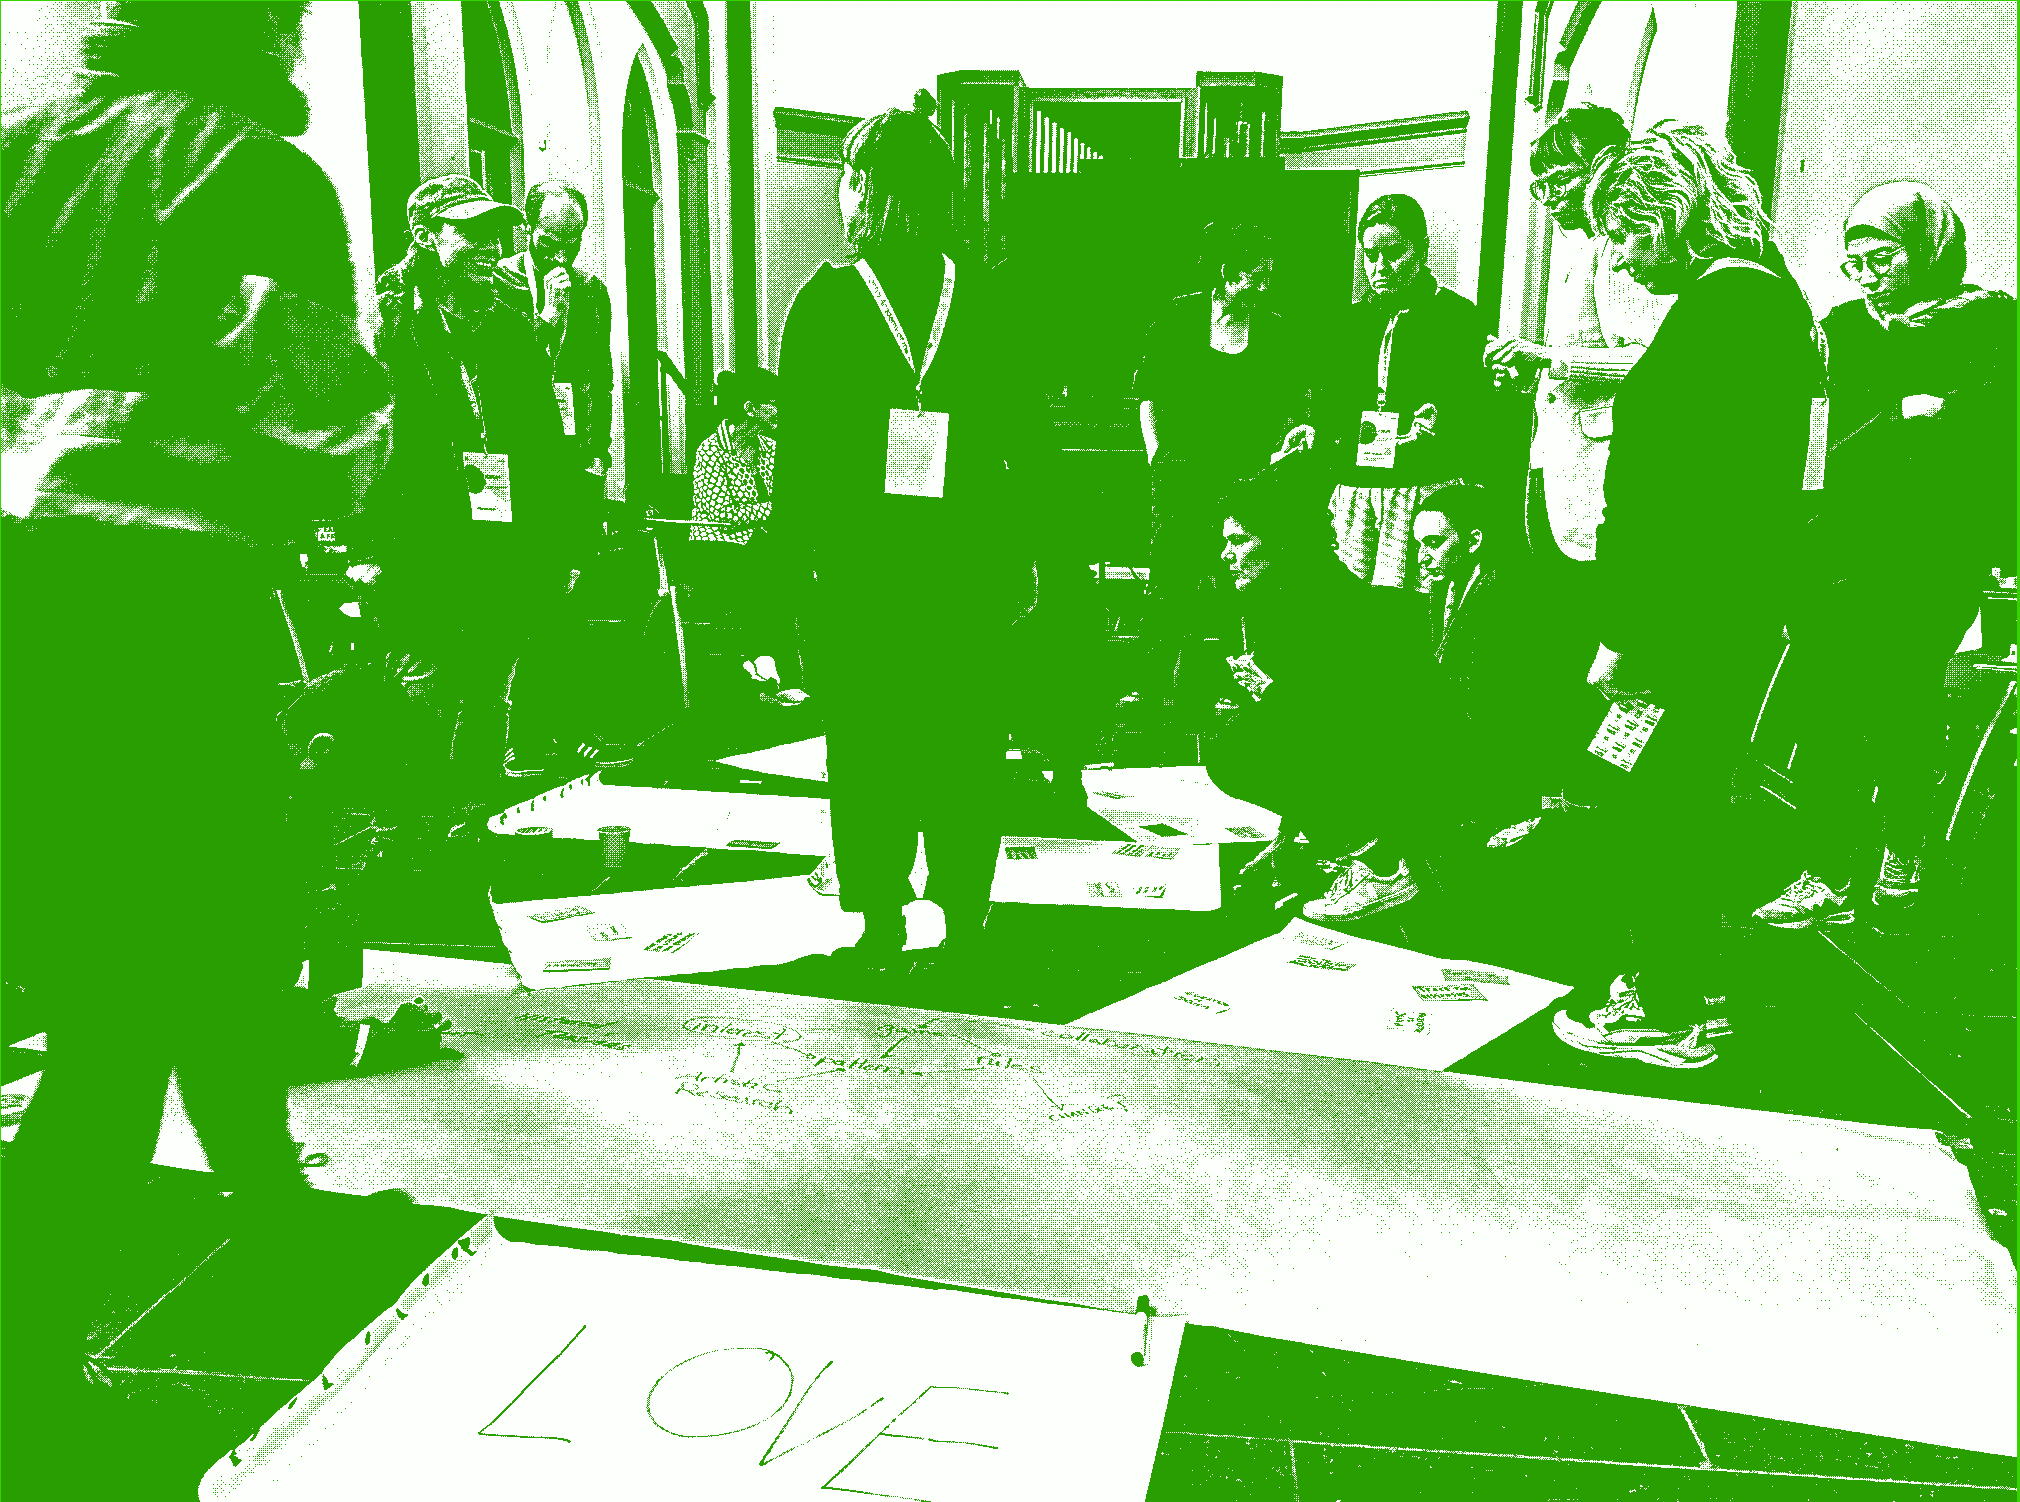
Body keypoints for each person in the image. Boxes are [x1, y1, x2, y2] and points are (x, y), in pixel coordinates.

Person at [1, 1, 396, 1482]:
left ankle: (269, 1200)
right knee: (138, 1011)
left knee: (181, 958)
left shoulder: (16, 153)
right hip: (171, 640)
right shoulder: (251, 173)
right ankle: (29, 1380)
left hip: (20, 640)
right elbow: (326, 440)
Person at [1553, 121, 1826, 1069]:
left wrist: (1623, 633)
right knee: (1680, 795)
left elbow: (1674, 500)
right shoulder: (1768, 299)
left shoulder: (1723, 309)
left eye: (1626, 236)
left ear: (1666, 215)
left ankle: (1664, 1009)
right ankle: (1684, 986)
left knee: (1659, 804)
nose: (1622, 260)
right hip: (1728, 608)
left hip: (1681, 617)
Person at [770, 90, 1037, 971]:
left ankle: (880, 922)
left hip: (862, 568)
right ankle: (966, 920)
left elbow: (799, 461)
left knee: (869, 744)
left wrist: (790, 581)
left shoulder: (824, 302)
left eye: (849, 176)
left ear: (869, 188)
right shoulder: (991, 297)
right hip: (968, 560)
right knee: (967, 742)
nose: (842, 191)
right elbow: (1026, 443)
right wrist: (1030, 557)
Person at [1759, 182, 2016, 930]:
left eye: (1884, 257)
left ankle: (1904, 855)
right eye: (1856, 261)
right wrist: (1898, 421)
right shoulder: (1842, 329)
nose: (1867, 274)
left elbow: (1999, 444)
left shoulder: (1990, 323)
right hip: (1841, 546)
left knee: (1901, 699)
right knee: (1829, 705)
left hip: (1936, 554)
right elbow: (1818, 444)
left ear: (1928, 251)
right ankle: (1825, 870)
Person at [365, 174, 590, 792]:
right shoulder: (387, 322)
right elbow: (369, 438)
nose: (492, 248)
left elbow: (544, 438)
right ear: (425, 236)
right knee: (428, 687)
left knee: (491, 678)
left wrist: (564, 539)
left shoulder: (508, 322)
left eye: (496, 234)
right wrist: (368, 545)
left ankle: (477, 804)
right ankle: (422, 810)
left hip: (503, 531)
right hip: (424, 535)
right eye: (472, 233)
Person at [1205, 453, 1442, 925]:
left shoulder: (1316, 601)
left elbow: (1336, 719)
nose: (1226, 554)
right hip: (1354, 744)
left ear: (1278, 542)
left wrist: (1267, 692)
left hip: (1393, 754)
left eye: (1239, 540)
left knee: (1242, 752)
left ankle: (1383, 865)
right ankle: (1313, 842)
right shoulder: (1279, 593)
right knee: (1241, 739)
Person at [1130, 222, 1310, 718]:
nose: (1265, 285)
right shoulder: (1178, 318)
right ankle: (1151, 689)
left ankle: (1238, 687)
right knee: (1170, 581)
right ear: (1227, 272)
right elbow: (1148, 397)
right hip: (1181, 476)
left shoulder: (1274, 330)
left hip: (1246, 481)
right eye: (1256, 274)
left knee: (1240, 587)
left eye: (1270, 274)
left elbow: (1293, 406)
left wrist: (1288, 442)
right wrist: (1157, 456)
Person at [1482, 104, 1672, 564]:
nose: (1548, 198)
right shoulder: (1582, 250)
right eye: (1540, 185)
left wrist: (1549, 358)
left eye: (1561, 179)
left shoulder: (1622, 253)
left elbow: (1651, 361)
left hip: (1598, 476)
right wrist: (1529, 370)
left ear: (1603, 170)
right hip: (1557, 466)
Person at [1298, 193, 1507, 594]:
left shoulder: (1460, 320)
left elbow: (1478, 416)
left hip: (1422, 492)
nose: (1379, 267)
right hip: (1356, 491)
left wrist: (1436, 429)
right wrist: (1316, 429)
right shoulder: (1349, 323)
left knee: (1413, 607)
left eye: (1393, 253)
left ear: (1422, 250)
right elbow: (1330, 403)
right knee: (1351, 602)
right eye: (1370, 254)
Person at [1411, 484, 1597, 843]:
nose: (1422, 556)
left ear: (1473, 541)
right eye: (1419, 545)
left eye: (1433, 543)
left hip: (1511, 758)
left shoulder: (1511, 593)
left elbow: (1517, 702)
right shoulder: (1446, 587)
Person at [689, 366, 801, 695]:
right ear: (751, 408)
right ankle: (768, 664)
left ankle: (780, 669)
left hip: (759, 544)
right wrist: (775, 512)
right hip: (717, 546)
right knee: (768, 572)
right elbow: (723, 514)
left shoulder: (770, 447)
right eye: (774, 403)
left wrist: (779, 513)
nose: (780, 410)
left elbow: (789, 497)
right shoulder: (711, 451)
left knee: (791, 567)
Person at [497, 181, 615, 489]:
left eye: (573, 243)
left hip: (573, 445)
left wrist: (598, 450)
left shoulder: (591, 290)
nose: (561, 257)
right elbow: (507, 366)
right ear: (528, 228)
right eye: (550, 243)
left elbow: (600, 377)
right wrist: (549, 315)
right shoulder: (500, 281)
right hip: (517, 442)